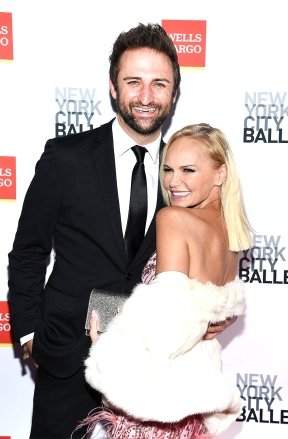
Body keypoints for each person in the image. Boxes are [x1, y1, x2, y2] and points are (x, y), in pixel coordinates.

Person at [8, 23, 235, 439]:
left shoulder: (183, 174)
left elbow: (214, 248)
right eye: (134, 82)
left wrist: (212, 311)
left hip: (153, 371)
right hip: (67, 356)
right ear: (113, 87)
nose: (146, 97)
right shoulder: (66, 158)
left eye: (159, 84)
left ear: (174, 92)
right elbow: (27, 252)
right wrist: (29, 336)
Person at [83, 123, 253, 438]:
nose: (174, 182)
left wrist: (106, 347)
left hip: (159, 403)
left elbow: (165, 328)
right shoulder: (231, 232)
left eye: (188, 170)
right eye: (168, 169)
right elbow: (200, 314)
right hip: (195, 402)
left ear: (221, 173)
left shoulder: (173, 218)